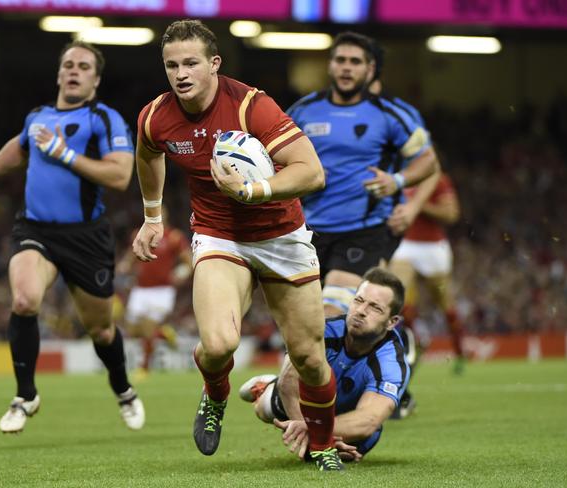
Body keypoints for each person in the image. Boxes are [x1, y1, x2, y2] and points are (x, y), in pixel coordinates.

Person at [133, 20, 343, 471]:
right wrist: (152, 216)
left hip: (281, 236)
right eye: (171, 65)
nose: (180, 73)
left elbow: (311, 171)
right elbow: (148, 152)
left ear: (214, 64)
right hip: (218, 234)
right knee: (218, 343)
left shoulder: (253, 107)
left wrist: (255, 190)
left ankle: (323, 447)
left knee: (308, 357)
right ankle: (215, 394)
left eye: (190, 63)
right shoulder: (155, 116)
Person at [0, 41, 144, 433]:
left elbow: (121, 176)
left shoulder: (104, 119)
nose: (74, 70)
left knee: (102, 330)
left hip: (86, 238)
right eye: (68, 64)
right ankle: (25, 395)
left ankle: (123, 389)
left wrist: (64, 153)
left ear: (96, 79)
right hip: (36, 229)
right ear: (58, 74)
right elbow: (18, 148)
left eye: (83, 66)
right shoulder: (38, 117)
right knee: (24, 299)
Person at [287, 31, 439, 318]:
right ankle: (393, 346)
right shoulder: (303, 111)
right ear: (329, 65)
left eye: (355, 61)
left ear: (369, 70)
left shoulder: (392, 113)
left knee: (333, 309)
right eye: (340, 60)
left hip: (366, 229)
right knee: (305, 319)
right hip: (309, 230)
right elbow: (275, 155)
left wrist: (397, 182)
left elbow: (428, 161)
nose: (346, 67)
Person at [240, 267, 409, 462]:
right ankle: (265, 388)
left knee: (352, 450)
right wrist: (313, 434)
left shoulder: (391, 362)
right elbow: (288, 383)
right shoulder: (323, 330)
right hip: (307, 406)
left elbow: (368, 420)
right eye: (359, 300)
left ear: (392, 322)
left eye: (375, 307)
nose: (361, 311)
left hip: (346, 420)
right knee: (265, 407)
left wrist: (319, 433)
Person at [388, 172, 464, 413]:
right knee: (396, 301)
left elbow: (451, 214)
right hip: (406, 245)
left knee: (446, 305)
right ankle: (410, 341)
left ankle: (459, 352)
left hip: (433, 248)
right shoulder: (399, 176)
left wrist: (418, 205)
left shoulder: (438, 179)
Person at [117, 208, 192, 371]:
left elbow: (188, 261)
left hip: (162, 290)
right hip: (140, 289)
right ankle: (165, 333)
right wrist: (125, 265)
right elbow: (132, 255)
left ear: (165, 215)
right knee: (133, 330)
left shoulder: (173, 236)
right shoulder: (139, 234)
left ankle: (144, 367)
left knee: (148, 329)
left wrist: (181, 273)